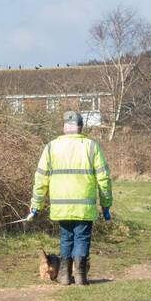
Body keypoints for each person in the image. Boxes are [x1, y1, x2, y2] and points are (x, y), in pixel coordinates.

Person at [26, 111, 113, 286]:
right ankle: (80, 276)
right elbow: (104, 178)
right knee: (82, 237)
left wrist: (36, 205)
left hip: (61, 206)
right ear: (81, 128)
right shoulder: (91, 147)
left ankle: (64, 276)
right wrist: (105, 205)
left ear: (65, 127)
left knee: (66, 237)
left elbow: (41, 178)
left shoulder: (51, 147)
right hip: (84, 206)